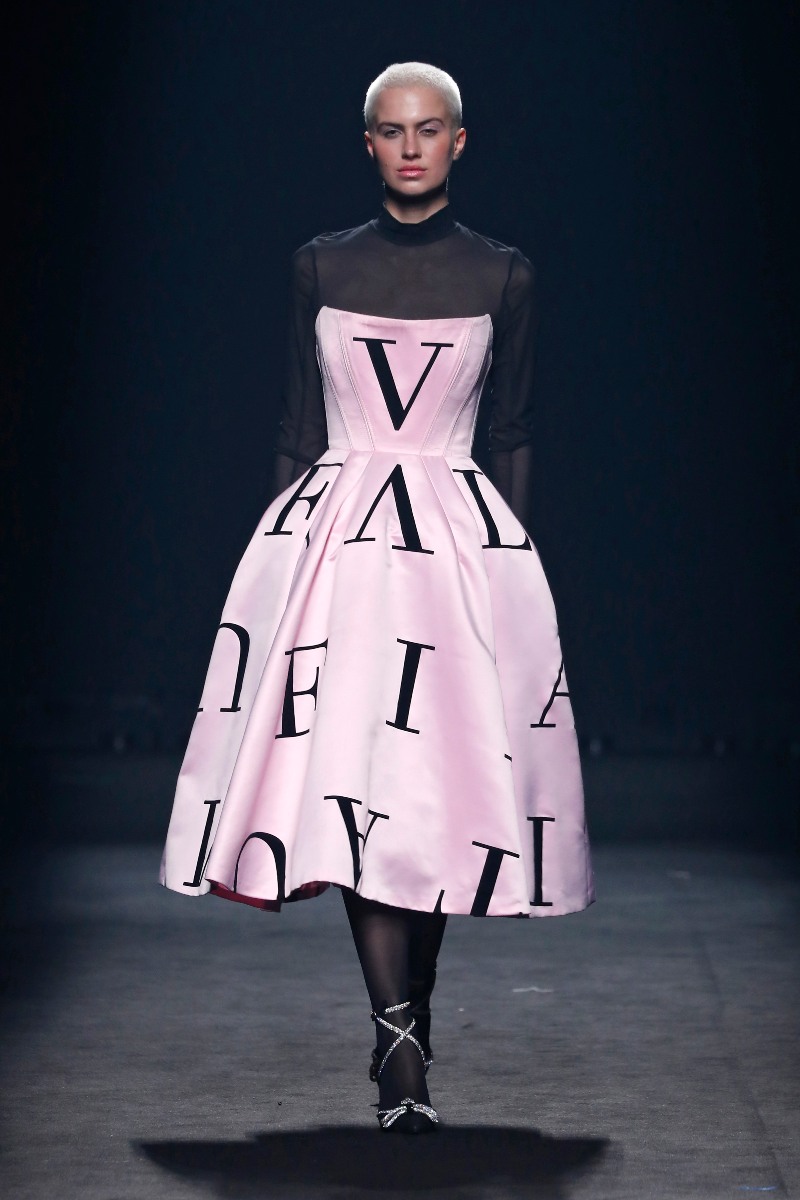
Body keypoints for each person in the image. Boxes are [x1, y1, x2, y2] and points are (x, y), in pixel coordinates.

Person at [160, 62, 594, 1134]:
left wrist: (509, 568)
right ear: (368, 144)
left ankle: (412, 1016)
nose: (410, 147)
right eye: (392, 131)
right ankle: (399, 1046)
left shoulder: (503, 275)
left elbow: (512, 431)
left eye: (428, 130)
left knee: (436, 797)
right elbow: (297, 427)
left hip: (455, 552)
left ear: (457, 141)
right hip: (339, 554)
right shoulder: (320, 264)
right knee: (359, 786)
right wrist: (277, 570)